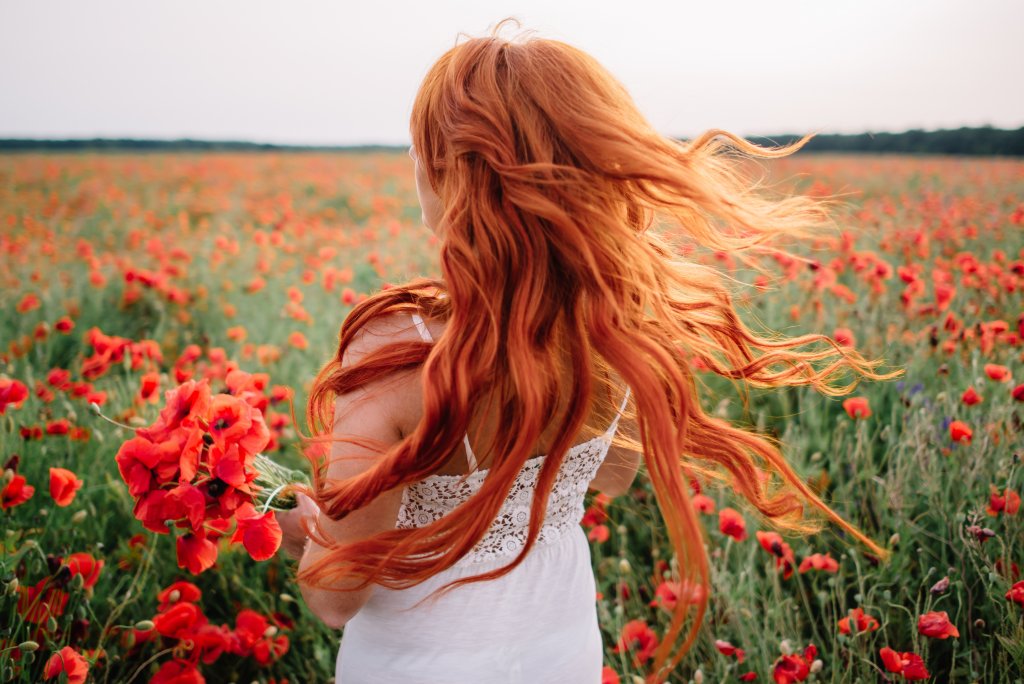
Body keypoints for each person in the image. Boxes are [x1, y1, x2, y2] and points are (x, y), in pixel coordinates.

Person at [277, 18, 901, 684]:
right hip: (558, 649)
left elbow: (335, 598)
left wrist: (300, 531)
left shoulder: (399, 348)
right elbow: (612, 477)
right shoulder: (616, 321)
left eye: (421, 150)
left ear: (453, 174)